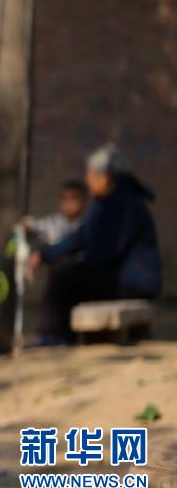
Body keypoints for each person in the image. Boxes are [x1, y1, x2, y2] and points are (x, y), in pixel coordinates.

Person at [27, 144, 162, 343]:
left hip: (133, 283)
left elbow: (106, 251)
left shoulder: (124, 205)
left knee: (66, 274)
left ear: (105, 177)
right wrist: (45, 254)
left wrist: (78, 262)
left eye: (90, 174)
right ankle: (59, 336)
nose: (87, 180)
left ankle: (54, 336)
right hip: (118, 277)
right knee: (66, 269)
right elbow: (79, 238)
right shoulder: (106, 204)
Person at [21, 179, 89, 246]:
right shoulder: (54, 222)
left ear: (84, 202)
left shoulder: (86, 225)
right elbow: (40, 225)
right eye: (64, 198)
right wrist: (30, 223)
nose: (68, 203)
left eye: (73, 198)